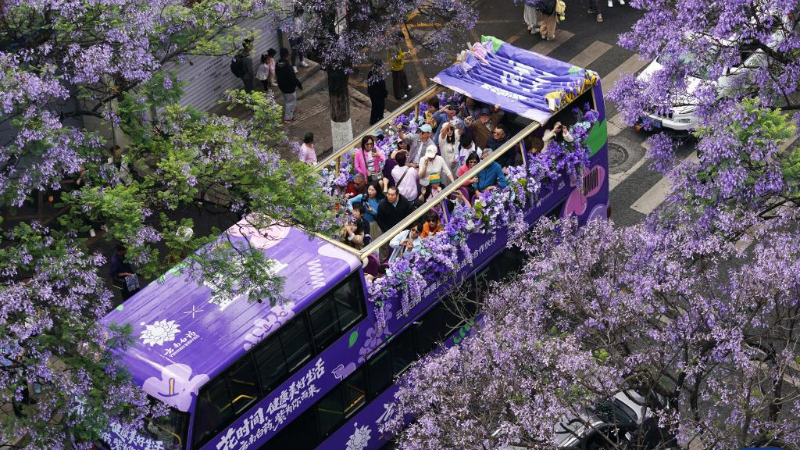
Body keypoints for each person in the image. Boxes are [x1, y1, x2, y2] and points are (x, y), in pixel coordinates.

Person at [275, 47, 303, 122]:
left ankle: (292, 110)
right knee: (290, 101)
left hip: (282, 86)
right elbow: (292, 77)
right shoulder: (287, 65)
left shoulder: (277, 63)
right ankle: (288, 117)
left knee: (288, 100)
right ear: (287, 54)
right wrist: (296, 84)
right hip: (288, 87)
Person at [388, 35, 411, 100]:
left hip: (399, 66)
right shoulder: (393, 47)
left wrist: (404, 53)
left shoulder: (396, 44)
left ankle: (405, 87)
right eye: (400, 40)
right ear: (397, 39)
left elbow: (399, 53)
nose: (402, 41)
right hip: (395, 67)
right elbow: (396, 58)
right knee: (397, 82)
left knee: (403, 76)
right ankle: (398, 95)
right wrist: (405, 54)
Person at [367, 61, 389, 125]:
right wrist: (385, 94)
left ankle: (373, 120)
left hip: (372, 95)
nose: (382, 69)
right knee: (380, 107)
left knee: (374, 107)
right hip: (379, 96)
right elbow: (382, 88)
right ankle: (380, 119)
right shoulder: (379, 76)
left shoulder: (370, 73)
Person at [289, 6, 309, 72]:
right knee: (294, 51)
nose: (300, 14)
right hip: (293, 36)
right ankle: (293, 66)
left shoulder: (300, 17)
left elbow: (301, 25)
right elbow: (291, 28)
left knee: (301, 48)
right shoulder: (291, 18)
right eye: (299, 13)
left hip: (300, 35)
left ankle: (301, 61)